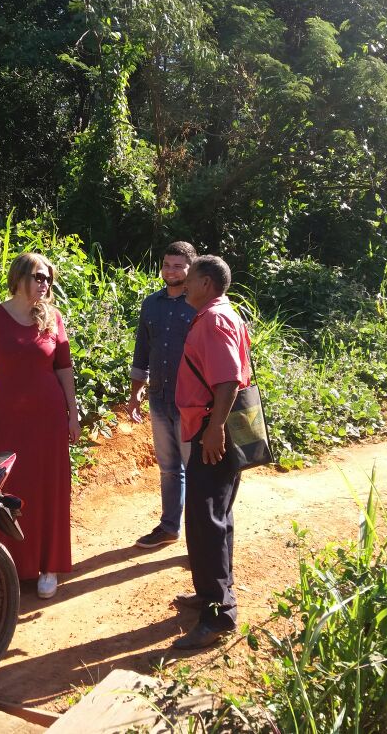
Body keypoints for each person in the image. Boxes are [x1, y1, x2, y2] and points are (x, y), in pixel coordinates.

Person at [0, 252, 80, 599]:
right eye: (38, 276)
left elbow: (64, 368)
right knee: (6, 491)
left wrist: (72, 413)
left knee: (48, 488)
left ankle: (48, 566)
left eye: (48, 278)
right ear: (18, 277)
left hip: (48, 418)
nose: (44, 283)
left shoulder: (53, 317)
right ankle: (6, 566)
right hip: (6, 417)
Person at [171, 255, 251, 650]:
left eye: (191, 277)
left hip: (211, 429)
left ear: (206, 283)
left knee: (209, 518)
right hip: (206, 427)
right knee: (209, 514)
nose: (183, 283)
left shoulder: (216, 320)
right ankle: (209, 594)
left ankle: (219, 614)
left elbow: (227, 381)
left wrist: (215, 428)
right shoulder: (216, 315)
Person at [128, 241, 197, 549]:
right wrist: (136, 391)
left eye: (178, 266)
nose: (171, 271)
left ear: (191, 269)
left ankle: (201, 536)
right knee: (169, 469)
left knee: (196, 472)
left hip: (190, 402)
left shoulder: (199, 304)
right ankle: (169, 527)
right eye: (167, 264)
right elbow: (142, 350)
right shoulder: (151, 304)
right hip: (158, 397)